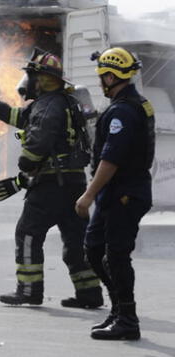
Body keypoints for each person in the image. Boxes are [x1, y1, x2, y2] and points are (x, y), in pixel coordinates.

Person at [0, 49, 103, 307]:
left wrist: (25, 166)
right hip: (74, 183)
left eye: (33, 76)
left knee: (28, 234)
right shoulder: (66, 102)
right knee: (75, 240)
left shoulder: (47, 106)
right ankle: (89, 293)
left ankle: (29, 289)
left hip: (49, 185)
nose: (29, 81)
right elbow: (24, 118)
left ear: (43, 79)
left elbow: (38, 143)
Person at [75, 47, 154, 341]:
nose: (99, 82)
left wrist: (87, 195)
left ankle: (127, 320)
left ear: (110, 76)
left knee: (116, 256)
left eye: (101, 77)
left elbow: (111, 160)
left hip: (124, 193)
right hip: (116, 193)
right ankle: (119, 310)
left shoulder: (122, 110)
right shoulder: (133, 103)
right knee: (95, 250)